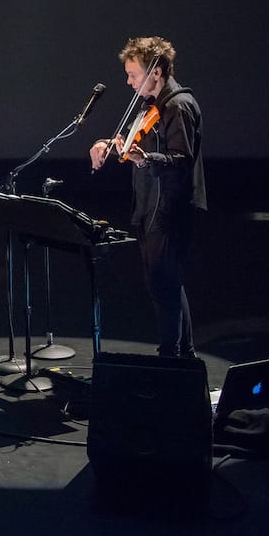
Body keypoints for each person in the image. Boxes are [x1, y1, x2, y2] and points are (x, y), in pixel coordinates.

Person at [90, 36, 206, 359]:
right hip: (150, 207)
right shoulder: (150, 106)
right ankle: (184, 354)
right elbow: (129, 142)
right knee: (166, 283)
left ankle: (170, 357)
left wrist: (146, 159)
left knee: (164, 285)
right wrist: (107, 144)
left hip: (170, 209)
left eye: (134, 75)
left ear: (156, 72)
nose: (128, 81)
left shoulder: (178, 106)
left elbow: (182, 161)